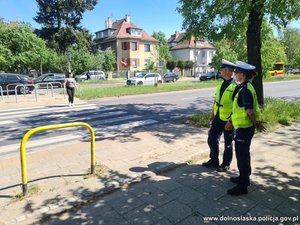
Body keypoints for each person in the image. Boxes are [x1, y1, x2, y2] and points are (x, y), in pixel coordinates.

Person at [227, 61, 265, 196]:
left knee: (241, 156)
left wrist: (256, 124)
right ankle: (244, 178)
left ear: (242, 74)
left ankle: (242, 186)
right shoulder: (247, 86)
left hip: (244, 128)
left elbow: (249, 111)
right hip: (244, 128)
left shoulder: (245, 90)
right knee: (244, 154)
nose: (235, 74)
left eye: (236, 72)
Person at [202, 59, 236, 172]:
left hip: (228, 120)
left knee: (228, 143)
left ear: (227, 71)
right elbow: (217, 100)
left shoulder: (235, 86)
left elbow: (237, 106)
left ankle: (226, 164)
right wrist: (212, 113)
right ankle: (214, 160)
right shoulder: (221, 83)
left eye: (221, 69)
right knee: (212, 138)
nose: (220, 71)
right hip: (218, 117)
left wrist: (231, 121)